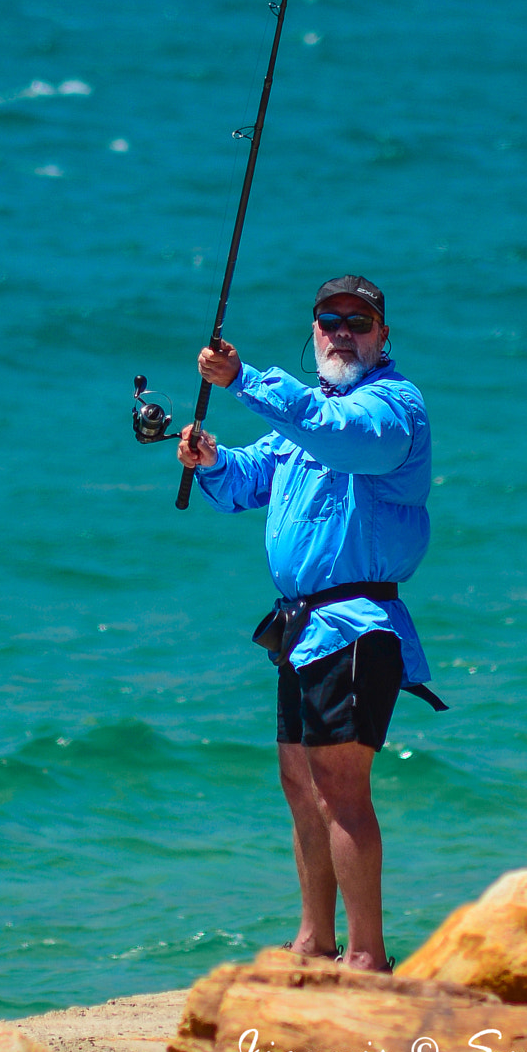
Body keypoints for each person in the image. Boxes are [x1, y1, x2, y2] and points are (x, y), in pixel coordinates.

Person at [176, 275, 442, 973]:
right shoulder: (301, 417)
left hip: (357, 626)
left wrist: (243, 380)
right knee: (299, 785)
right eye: (330, 320)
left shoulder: (392, 408)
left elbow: (345, 442)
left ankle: (365, 956)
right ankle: (313, 942)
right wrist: (208, 459)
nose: (343, 331)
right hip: (299, 630)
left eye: (360, 321)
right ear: (314, 330)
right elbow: (243, 484)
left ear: (383, 335)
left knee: (341, 791)